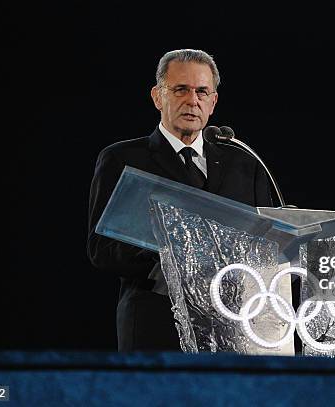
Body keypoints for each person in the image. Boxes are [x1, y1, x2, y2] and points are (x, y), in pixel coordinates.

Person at [87, 49, 273, 352]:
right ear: (158, 97)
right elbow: (102, 249)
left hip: (234, 325)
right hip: (156, 323)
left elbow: (266, 243)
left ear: (213, 102)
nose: (192, 100)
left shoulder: (244, 163)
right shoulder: (123, 159)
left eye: (202, 91)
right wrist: (176, 259)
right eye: (181, 89)